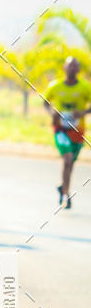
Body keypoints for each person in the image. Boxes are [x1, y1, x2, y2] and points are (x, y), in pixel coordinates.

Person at [44, 56, 91, 209]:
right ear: (64, 68)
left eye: (75, 66)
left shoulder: (85, 87)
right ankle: (66, 195)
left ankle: (62, 186)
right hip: (60, 130)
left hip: (78, 131)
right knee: (67, 159)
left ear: (78, 70)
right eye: (69, 66)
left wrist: (82, 113)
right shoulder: (55, 86)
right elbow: (45, 102)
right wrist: (52, 113)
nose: (72, 68)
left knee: (71, 164)